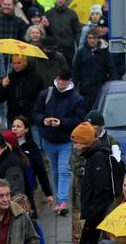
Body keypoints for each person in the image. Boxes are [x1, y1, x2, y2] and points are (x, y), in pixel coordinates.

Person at [70, 121, 123, 244]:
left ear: (85, 141)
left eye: (77, 142)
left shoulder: (98, 157)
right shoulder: (93, 156)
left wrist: (92, 218)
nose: (75, 146)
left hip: (98, 218)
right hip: (96, 216)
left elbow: (101, 191)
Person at [32, 69, 87, 214]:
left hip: (66, 141)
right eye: (59, 79)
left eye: (64, 80)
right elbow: (36, 112)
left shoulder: (77, 99)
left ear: (69, 81)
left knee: (64, 170)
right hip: (48, 139)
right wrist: (43, 120)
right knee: (55, 171)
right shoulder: (46, 94)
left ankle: (63, 201)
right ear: (56, 78)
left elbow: (79, 120)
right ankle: (59, 200)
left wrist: (61, 122)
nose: (61, 82)